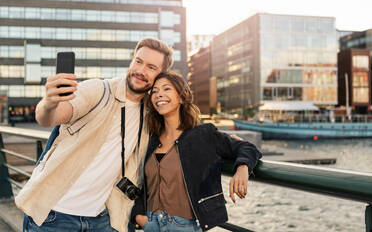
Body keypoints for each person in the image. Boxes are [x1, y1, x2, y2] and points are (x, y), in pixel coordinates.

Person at [15, 38, 174, 232]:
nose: (141, 71)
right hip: (54, 216)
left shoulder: (150, 114)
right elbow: (50, 117)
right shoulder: (99, 90)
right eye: (138, 61)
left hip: (103, 220)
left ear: (161, 75)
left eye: (151, 67)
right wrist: (49, 103)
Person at [131, 72, 262, 231]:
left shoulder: (202, 135)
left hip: (184, 226)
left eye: (166, 89)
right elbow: (138, 180)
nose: (159, 95)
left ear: (181, 97)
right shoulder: (150, 139)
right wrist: (140, 217)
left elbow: (247, 147)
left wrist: (242, 168)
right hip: (150, 223)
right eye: (155, 91)